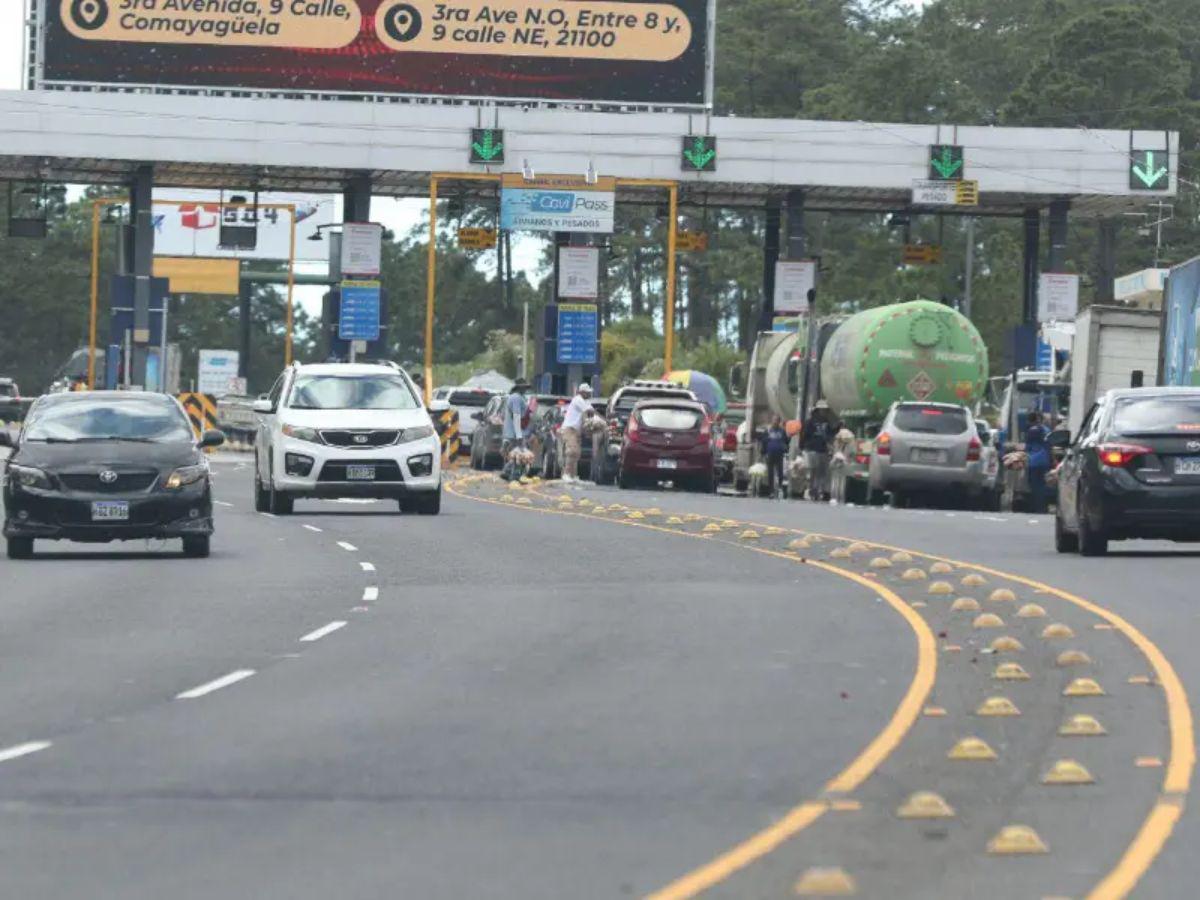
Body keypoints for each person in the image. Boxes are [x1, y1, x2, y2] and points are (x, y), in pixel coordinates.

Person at [560, 382, 599, 483]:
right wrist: (601, 420)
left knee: (577, 453)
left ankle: (573, 476)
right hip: (569, 429)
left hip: (576, 431)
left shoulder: (585, 401)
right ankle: (566, 474)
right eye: (588, 392)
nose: (589, 394)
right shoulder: (577, 400)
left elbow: (591, 410)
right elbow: (590, 411)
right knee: (572, 451)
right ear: (582, 392)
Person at [800, 401, 834, 500]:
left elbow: (830, 433)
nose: (824, 412)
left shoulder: (826, 422)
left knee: (821, 472)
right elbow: (804, 435)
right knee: (812, 471)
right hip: (811, 450)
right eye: (823, 410)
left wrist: (838, 427)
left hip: (822, 450)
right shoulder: (810, 422)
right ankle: (811, 490)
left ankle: (818, 490)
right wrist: (802, 447)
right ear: (818, 410)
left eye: (825, 410)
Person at [1024, 410, 1051, 514]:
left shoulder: (1031, 431)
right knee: (1042, 485)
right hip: (1044, 461)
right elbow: (1049, 446)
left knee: (1034, 486)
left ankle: (1035, 508)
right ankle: (1043, 508)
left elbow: (1027, 447)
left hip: (1033, 462)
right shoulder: (1047, 430)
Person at [758, 415, 789, 498]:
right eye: (774, 420)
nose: (775, 422)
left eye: (777, 420)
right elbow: (764, 442)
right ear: (772, 421)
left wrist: (786, 449)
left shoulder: (782, 431)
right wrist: (762, 453)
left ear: (779, 422)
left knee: (780, 473)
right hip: (770, 454)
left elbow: (786, 442)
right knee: (770, 473)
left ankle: (780, 488)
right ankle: (771, 491)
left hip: (779, 454)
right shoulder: (768, 430)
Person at [502, 378, 531, 455]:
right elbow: (516, 417)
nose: (525, 389)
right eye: (524, 387)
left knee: (515, 460)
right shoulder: (516, 398)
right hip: (514, 436)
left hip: (512, 435)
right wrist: (519, 436)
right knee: (516, 460)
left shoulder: (517, 397)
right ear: (519, 388)